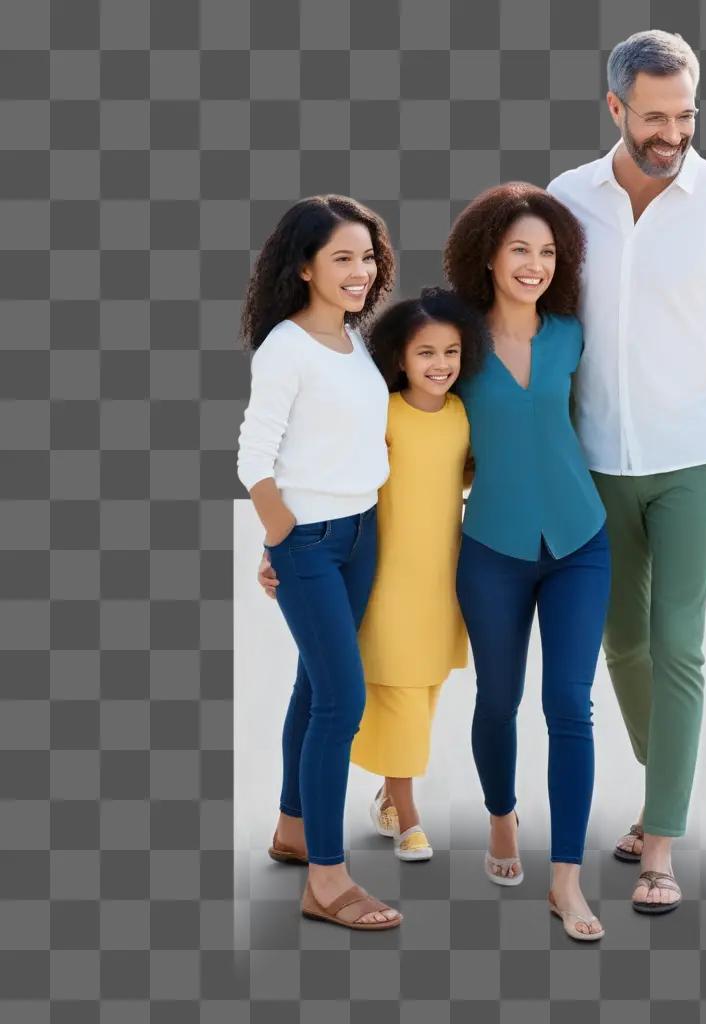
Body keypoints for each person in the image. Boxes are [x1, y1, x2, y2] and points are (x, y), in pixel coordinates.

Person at [547, 29, 706, 914]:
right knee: (620, 641)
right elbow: (536, 335)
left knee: (678, 643)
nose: (672, 133)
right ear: (615, 108)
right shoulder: (564, 200)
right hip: (590, 461)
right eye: (654, 116)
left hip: (693, 457)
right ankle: (671, 791)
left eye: (686, 114)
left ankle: (660, 843)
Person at [259, 289, 488, 863]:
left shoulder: (463, 416)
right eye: (425, 353)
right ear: (399, 360)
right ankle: (407, 813)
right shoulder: (383, 414)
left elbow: (465, 477)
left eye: (451, 352)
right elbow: (324, 468)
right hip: (385, 573)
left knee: (427, 686)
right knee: (400, 691)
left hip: (443, 576)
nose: (440, 365)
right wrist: (278, 539)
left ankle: (388, 794)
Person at [444, 183, 611, 941]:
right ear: (488, 253)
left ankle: (568, 881)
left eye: (547, 252)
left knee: (569, 707)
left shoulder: (573, 334)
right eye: (520, 249)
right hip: (493, 550)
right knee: (497, 699)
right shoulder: (455, 340)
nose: (534, 265)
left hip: (580, 543)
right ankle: (501, 814)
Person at [236, 194, 402, 930]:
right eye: (342, 258)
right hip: (310, 541)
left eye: (367, 257)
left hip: (362, 532)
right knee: (343, 701)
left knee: (314, 686)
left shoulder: (355, 340)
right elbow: (253, 458)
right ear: (304, 268)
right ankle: (327, 883)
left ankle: (293, 831)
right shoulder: (286, 348)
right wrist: (280, 540)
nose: (360, 271)